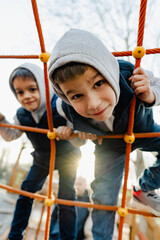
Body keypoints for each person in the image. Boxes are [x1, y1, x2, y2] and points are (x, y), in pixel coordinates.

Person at [48, 28, 160, 240]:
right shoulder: (66, 110)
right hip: (109, 149)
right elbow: (77, 138)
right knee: (104, 199)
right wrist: (76, 135)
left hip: (144, 130)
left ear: (109, 72)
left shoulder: (129, 73)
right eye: (77, 96)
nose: (93, 103)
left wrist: (151, 94)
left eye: (98, 83)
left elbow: (157, 85)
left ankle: (144, 189)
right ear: (66, 98)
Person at [0, 62, 82, 240]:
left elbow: (79, 135)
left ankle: (68, 237)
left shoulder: (60, 106)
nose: (26, 96)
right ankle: (15, 235)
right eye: (20, 92)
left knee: (66, 197)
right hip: (42, 158)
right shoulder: (21, 115)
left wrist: (70, 132)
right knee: (26, 192)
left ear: (43, 87)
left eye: (32, 89)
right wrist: (2, 121)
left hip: (68, 156)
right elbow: (11, 135)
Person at [49, 176, 90, 240]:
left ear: (85, 185)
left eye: (80, 184)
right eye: (75, 184)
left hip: (73, 236)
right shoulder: (67, 197)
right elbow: (54, 215)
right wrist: (51, 231)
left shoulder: (89, 203)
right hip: (56, 234)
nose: (77, 186)